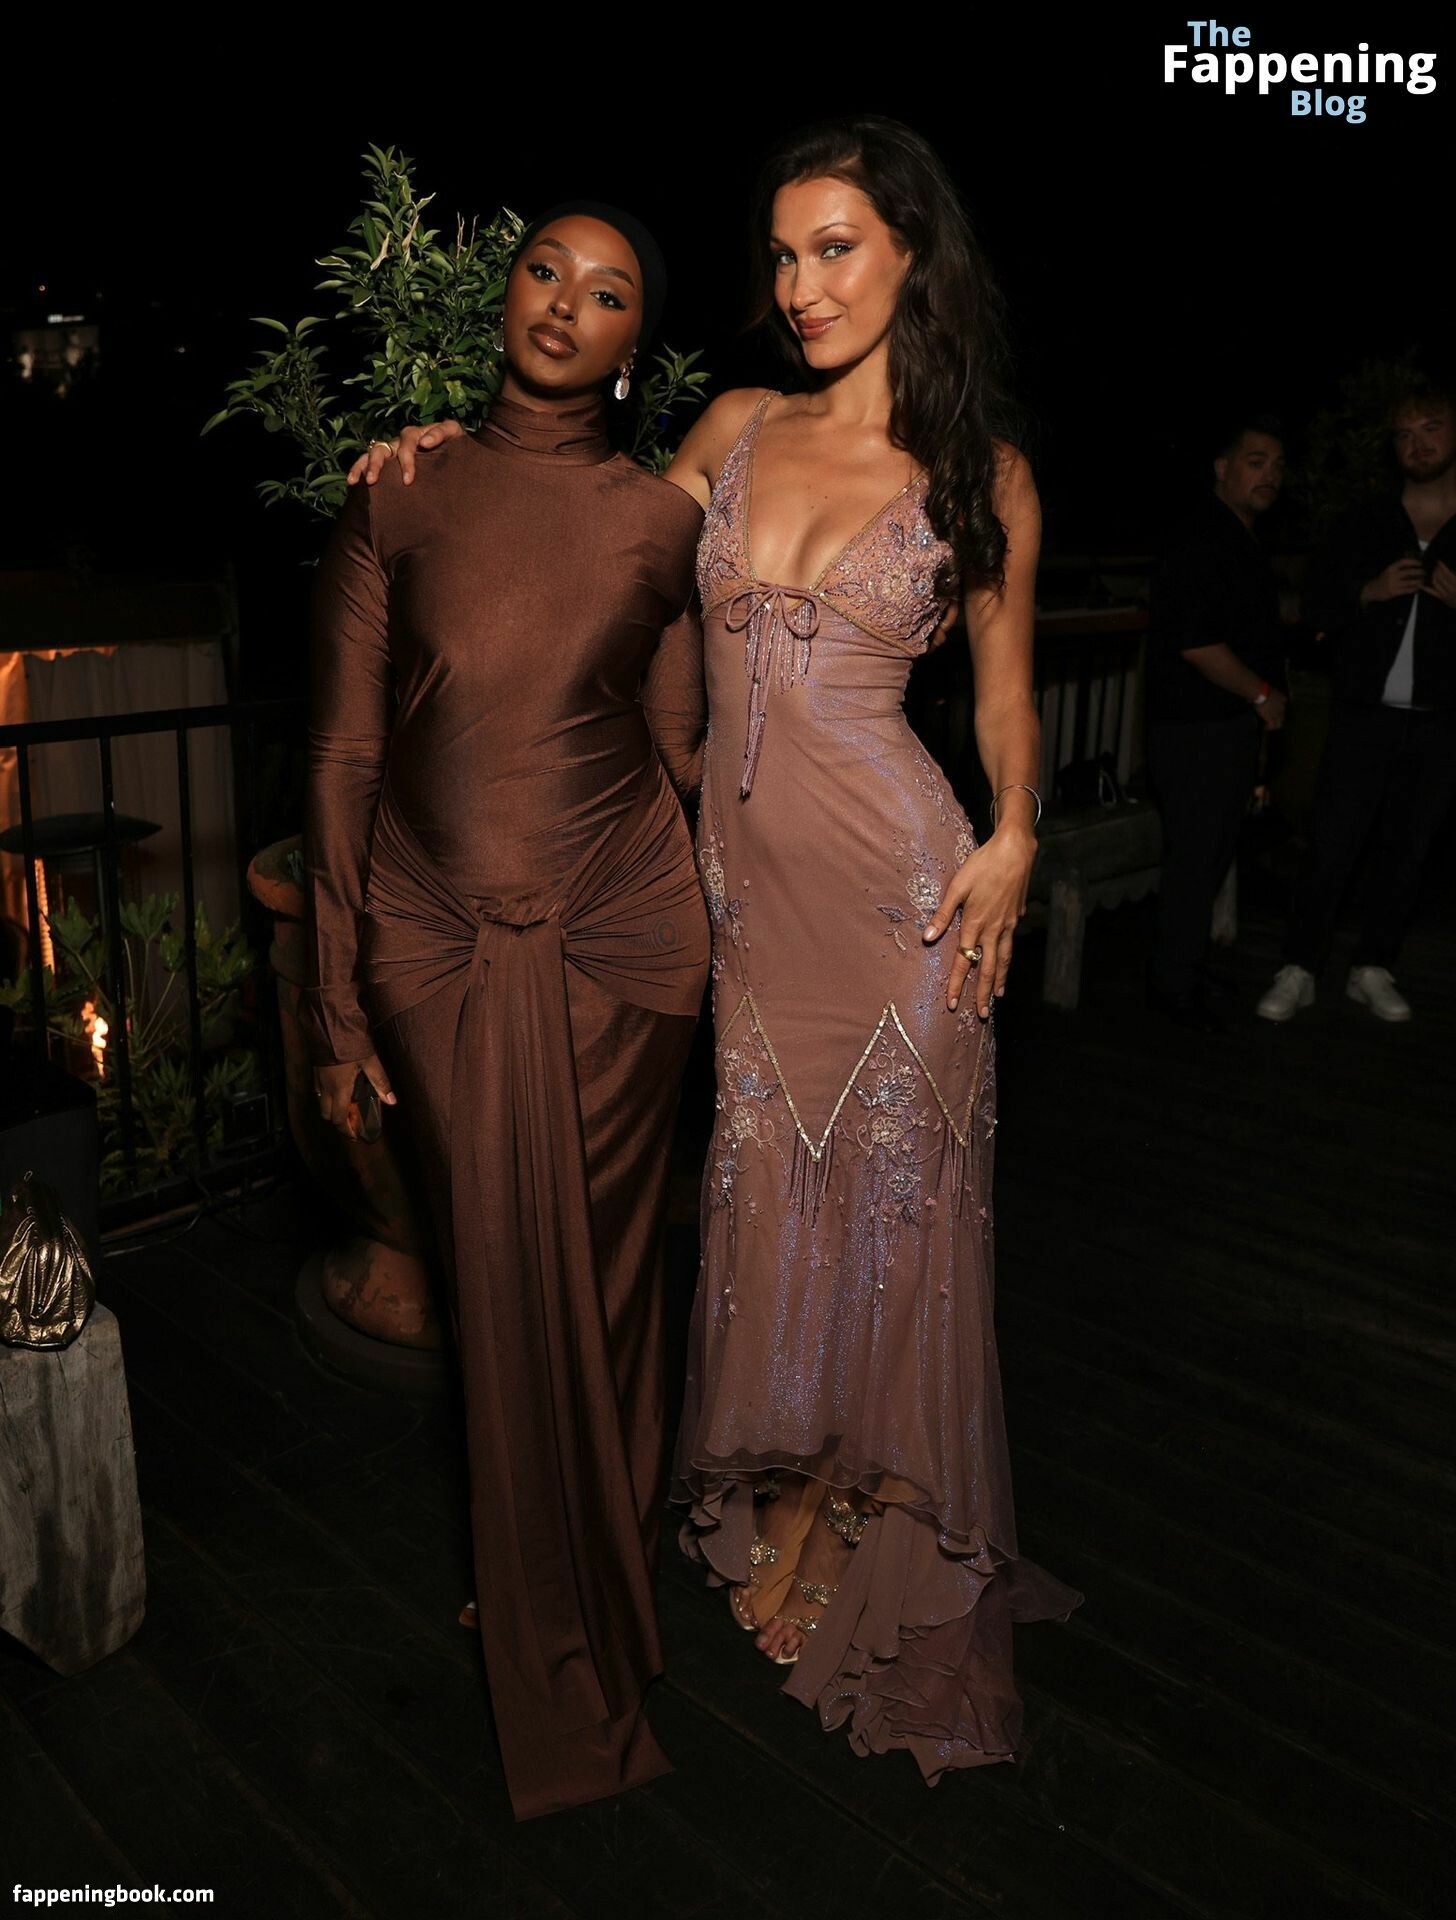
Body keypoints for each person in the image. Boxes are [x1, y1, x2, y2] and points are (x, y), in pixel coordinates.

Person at [369, 116, 1082, 1785]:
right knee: (773, 1210)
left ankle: (848, 1530)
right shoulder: (739, 426)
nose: (801, 284)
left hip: (904, 900)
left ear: (913, 253)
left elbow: (1002, 698)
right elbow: (580, 537)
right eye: (782, 254)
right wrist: (452, 455)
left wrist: (1017, 830)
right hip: (745, 910)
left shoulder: (985, 474)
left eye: (836, 247)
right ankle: (786, 1496)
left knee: (891, 1232)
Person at [303, 202, 711, 1821]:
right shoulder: (399, 491)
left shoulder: (660, 525)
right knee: (496, 1274)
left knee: (609, 1289)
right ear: (506, 297)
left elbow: (676, 751)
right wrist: (338, 1002)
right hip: (437, 943)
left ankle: (596, 1582)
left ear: (632, 347)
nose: (564, 304)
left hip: (627, 940)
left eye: (606, 293)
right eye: (546, 271)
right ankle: (544, 1585)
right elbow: (344, 755)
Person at [1258, 380, 1456, 1023]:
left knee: (1410, 851)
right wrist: (1368, 592)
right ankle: (1299, 967)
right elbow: (1316, 608)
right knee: (1332, 844)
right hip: (1363, 717)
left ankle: (1374, 967)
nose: (1417, 444)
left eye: (1431, 428)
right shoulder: (1366, 522)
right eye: (1404, 434)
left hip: (1441, 725)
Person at [1144, 417, 1289, 1030]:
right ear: (1223, 468)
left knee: (1210, 856)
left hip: (1220, 730)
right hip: (1194, 732)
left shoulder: (1239, 538)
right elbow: (1197, 643)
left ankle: (1187, 967)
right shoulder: (1202, 538)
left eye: (1277, 465)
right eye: (1256, 461)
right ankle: (1173, 986)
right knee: (1195, 858)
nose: (1270, 475)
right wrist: (1263, 693)